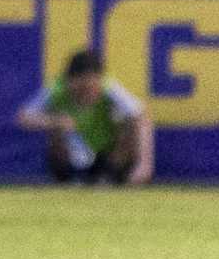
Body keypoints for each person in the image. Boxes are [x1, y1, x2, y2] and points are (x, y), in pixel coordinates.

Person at [16, 49, 154, 185]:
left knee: (130, 124)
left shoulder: (109, 87)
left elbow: (141, 116)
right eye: (81, 88)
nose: (87, 94)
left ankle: (108, 176)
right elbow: (23, 117)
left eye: (92, 88)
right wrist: (55, 121)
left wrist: (144, 165)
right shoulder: (56, 89)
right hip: (70, 154)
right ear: (69, 80)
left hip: (105, 152)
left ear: (100, 80)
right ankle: (67, 178)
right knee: (54, 128)